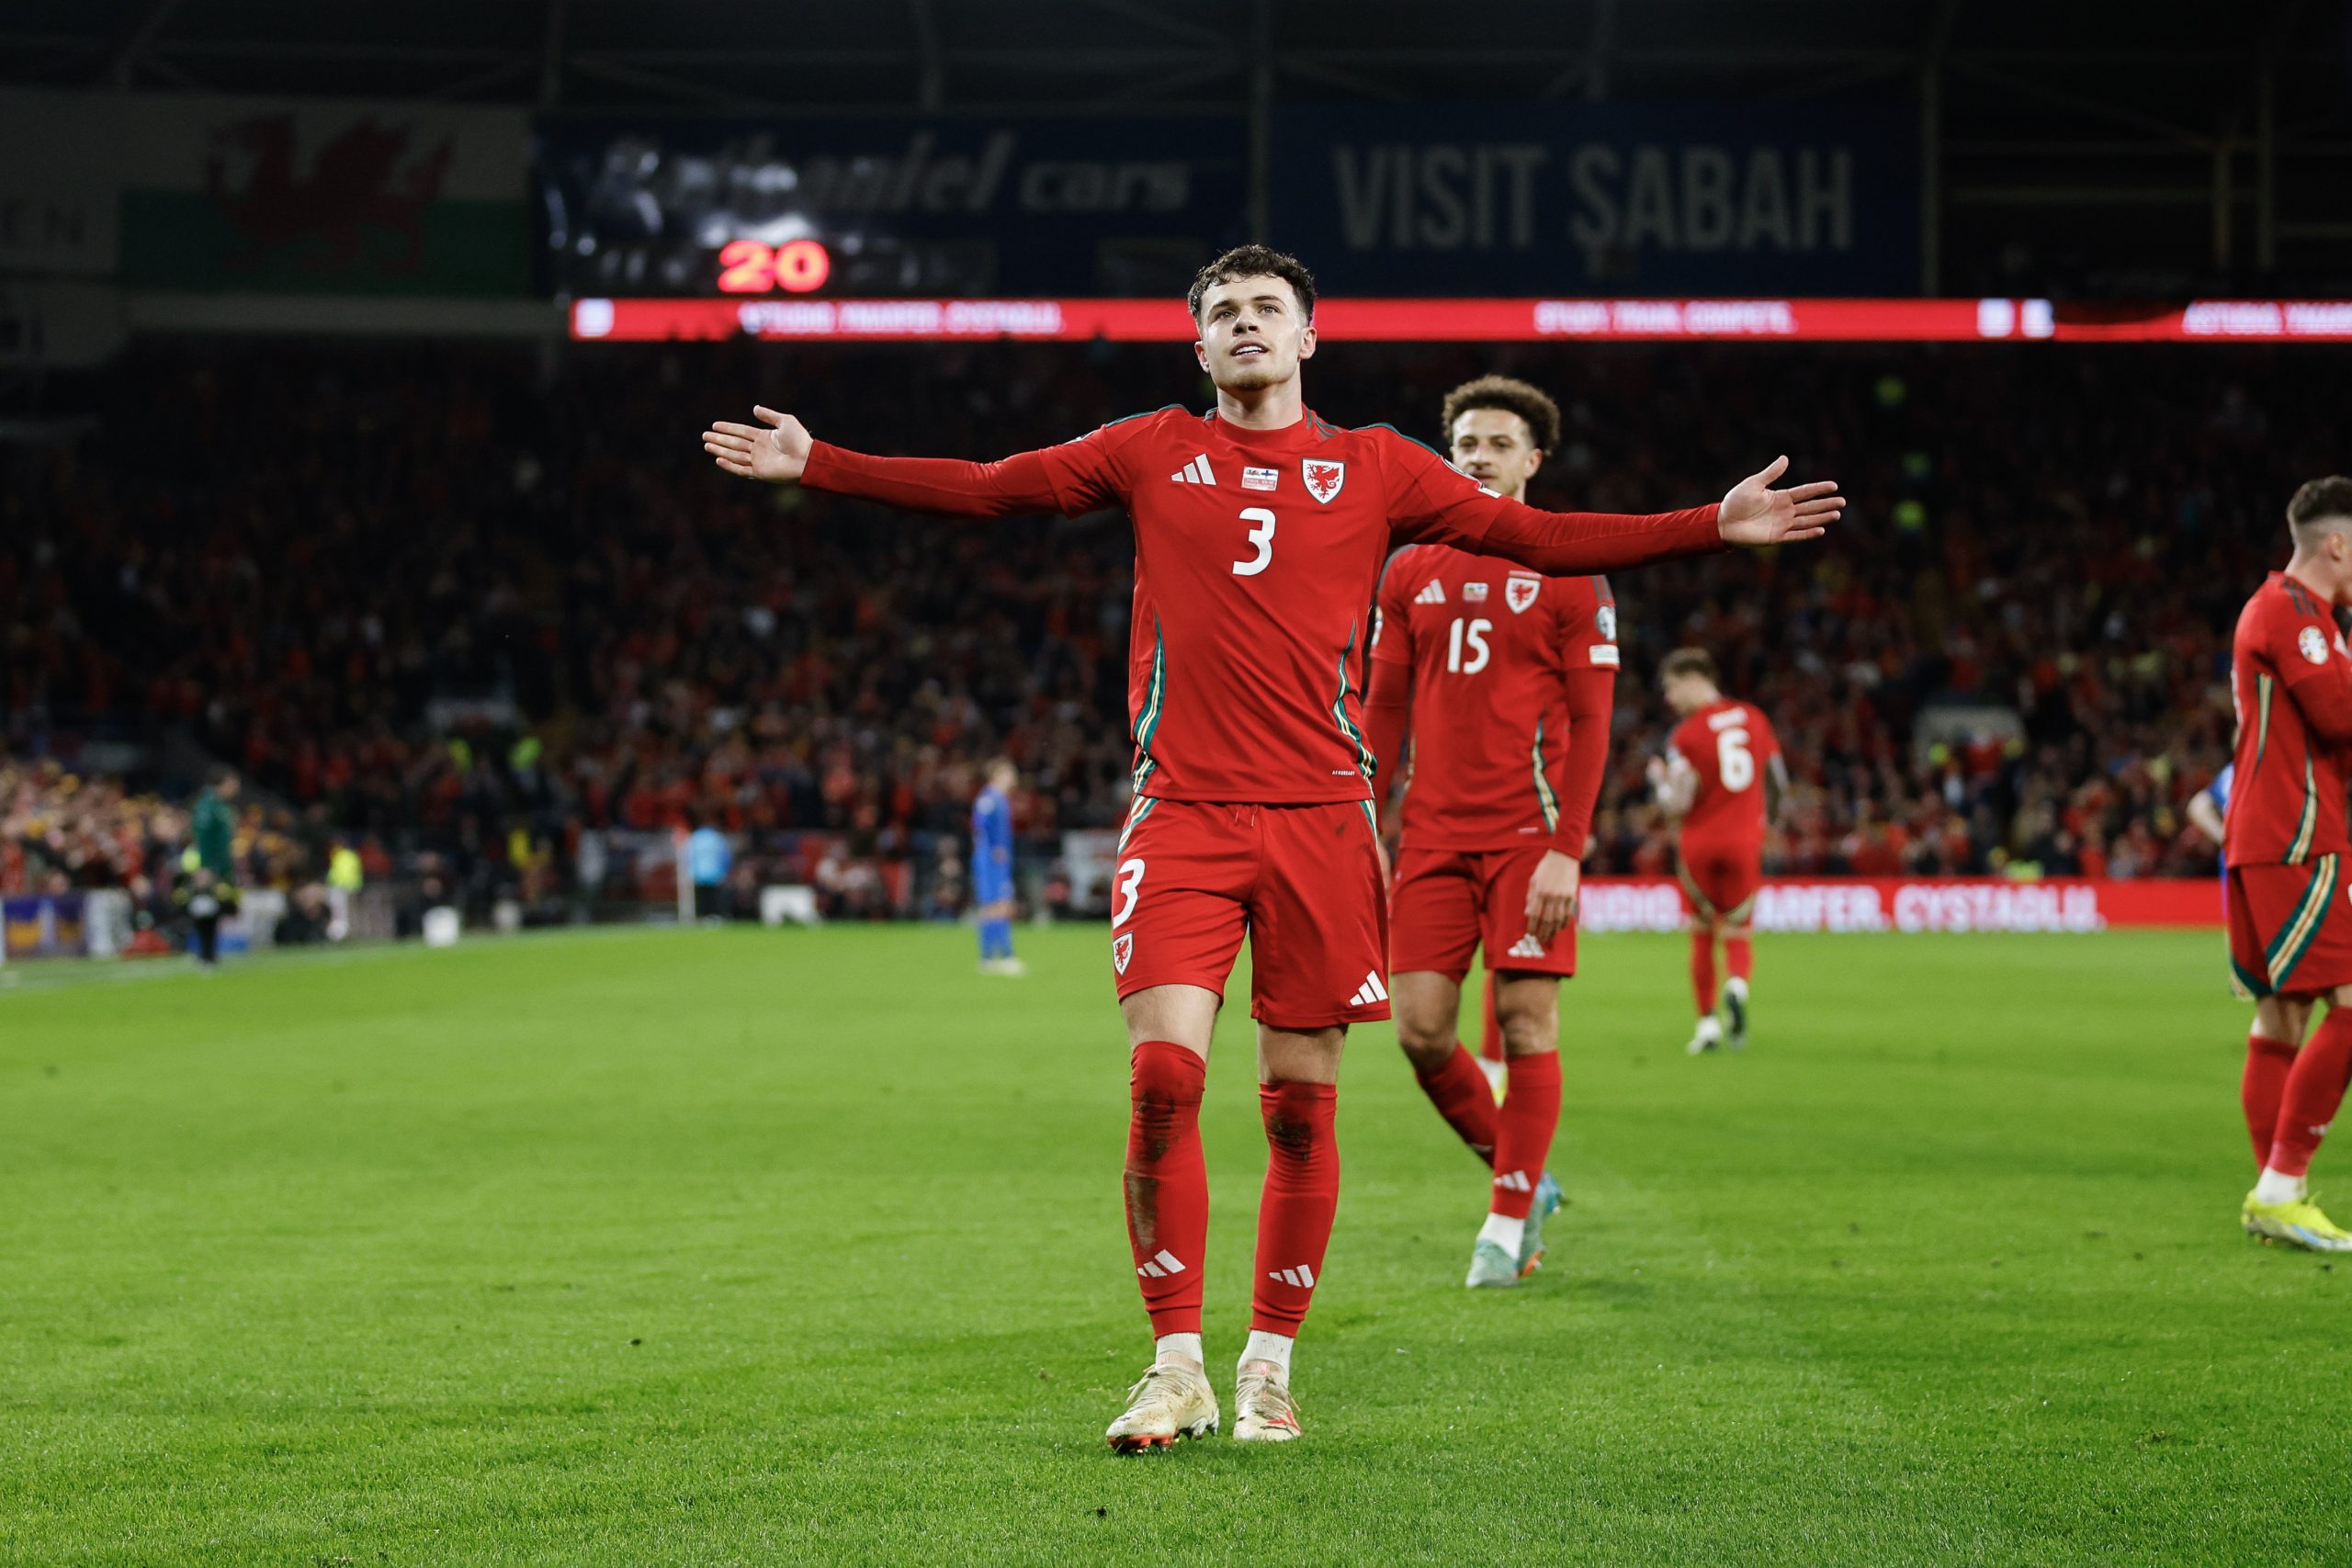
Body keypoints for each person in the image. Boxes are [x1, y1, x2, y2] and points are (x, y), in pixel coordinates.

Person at [702, 243, 1841, 1450]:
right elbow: (989, 488)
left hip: (1321, 821)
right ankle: (1174, 1361)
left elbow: (1544, 538)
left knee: (1300, 1108)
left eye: (1268, 309)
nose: (1246, 324)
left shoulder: (1380, 467)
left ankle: (1268, 1367)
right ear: (1197, 347)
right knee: (1164, 1078)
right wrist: (819, 462)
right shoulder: (1147, 448)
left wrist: (1709, 525)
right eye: (1224, 312)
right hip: (1184, 812)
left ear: (1310, 338)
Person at [1363, 375, 1615, 1289]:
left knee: (1523, 1018)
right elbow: (1382, 711)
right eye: (1464, 442)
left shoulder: (1569, 566)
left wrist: (1567, 849)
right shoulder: (1407, 567)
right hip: (1429, 836)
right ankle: (1524, 1176)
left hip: (1526, 834)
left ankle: (1505, 1226)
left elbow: (1592, 724)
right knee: (1421, 1033)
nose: (1476, 456)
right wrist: (1364, 820)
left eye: (1497, 443)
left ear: (1532, 460)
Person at [2227, 478, 2352, 1252]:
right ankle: (2281, 1185)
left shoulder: (2309, 616)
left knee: (2282, 1014)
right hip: (2295, 833)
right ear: (2336, 543)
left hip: (2271, 833)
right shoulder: (2293, 612)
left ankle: (2274, 1198)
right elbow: (2341, 715)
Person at [1648, 649, 1786, 1055]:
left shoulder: (1685, 735)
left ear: (1694, 678)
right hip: (1745, 839)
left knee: (1702, 932)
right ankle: (1738, 985)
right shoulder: (1755, 718)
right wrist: (1768, 823)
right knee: (1740, 928)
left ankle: (1707, 1023)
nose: (1670, 699)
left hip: (1700, 843)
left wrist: (1658, 783)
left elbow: (1678, 802)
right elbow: (1777, 781)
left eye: (1672, 688)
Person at [184, 769, 242, 968]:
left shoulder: (218, 805)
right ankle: (204, 954)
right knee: (205, 908)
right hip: (209, 866)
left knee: (215, 908)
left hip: (219, 865)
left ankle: (210, 953)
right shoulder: (208, 806)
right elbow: (204, 839)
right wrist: (206, 867)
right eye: (233, 783)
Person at [973, 759, 1024, 976]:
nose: (1012, 777)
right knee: (995, 906)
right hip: (990, 860)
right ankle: (999, 956)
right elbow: (979, 824)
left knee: (1000, 905)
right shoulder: (989, 797)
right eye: (1008, 773)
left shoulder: (1000, 798)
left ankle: (991, 958)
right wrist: (994, 847)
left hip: (997, 859)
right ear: (997, 774)